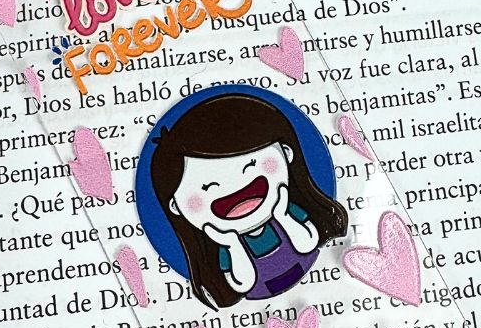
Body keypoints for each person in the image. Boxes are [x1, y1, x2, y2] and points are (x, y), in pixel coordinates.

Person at [149, 91, 349, 308]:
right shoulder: (226, 245)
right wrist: (232, 244)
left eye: (251, 164)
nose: (231, 184)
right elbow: (243, 283)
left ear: (286, 153)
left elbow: (308, 244)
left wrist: (284, 217)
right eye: (205, 185)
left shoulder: (286, 211)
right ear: (175, 206)